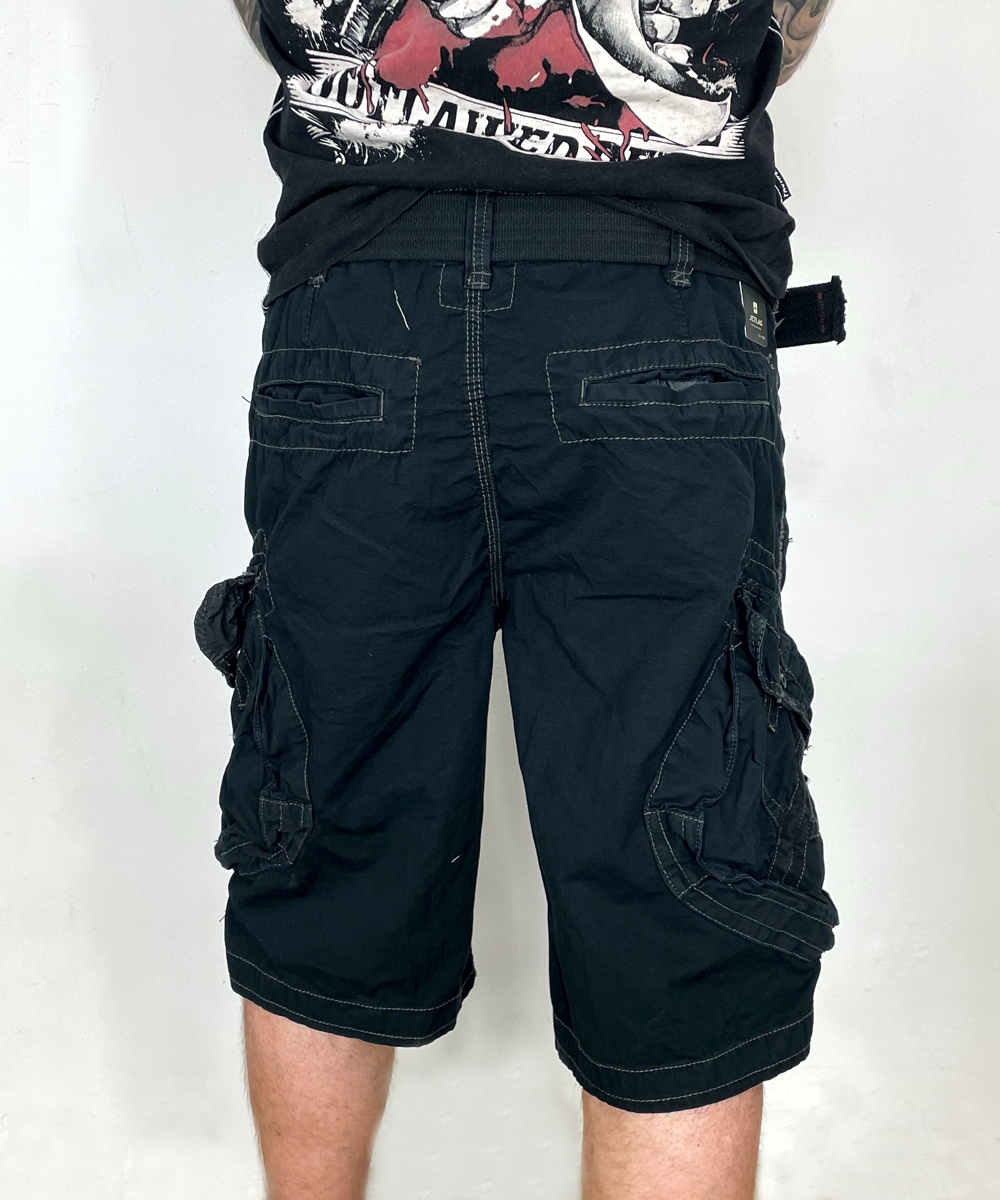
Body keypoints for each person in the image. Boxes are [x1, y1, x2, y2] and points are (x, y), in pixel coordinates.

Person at [195, 2, 836, 1196]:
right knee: (682, 857)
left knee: (325, 833)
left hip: (360, 291)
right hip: (656, 294)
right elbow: (776, 27)